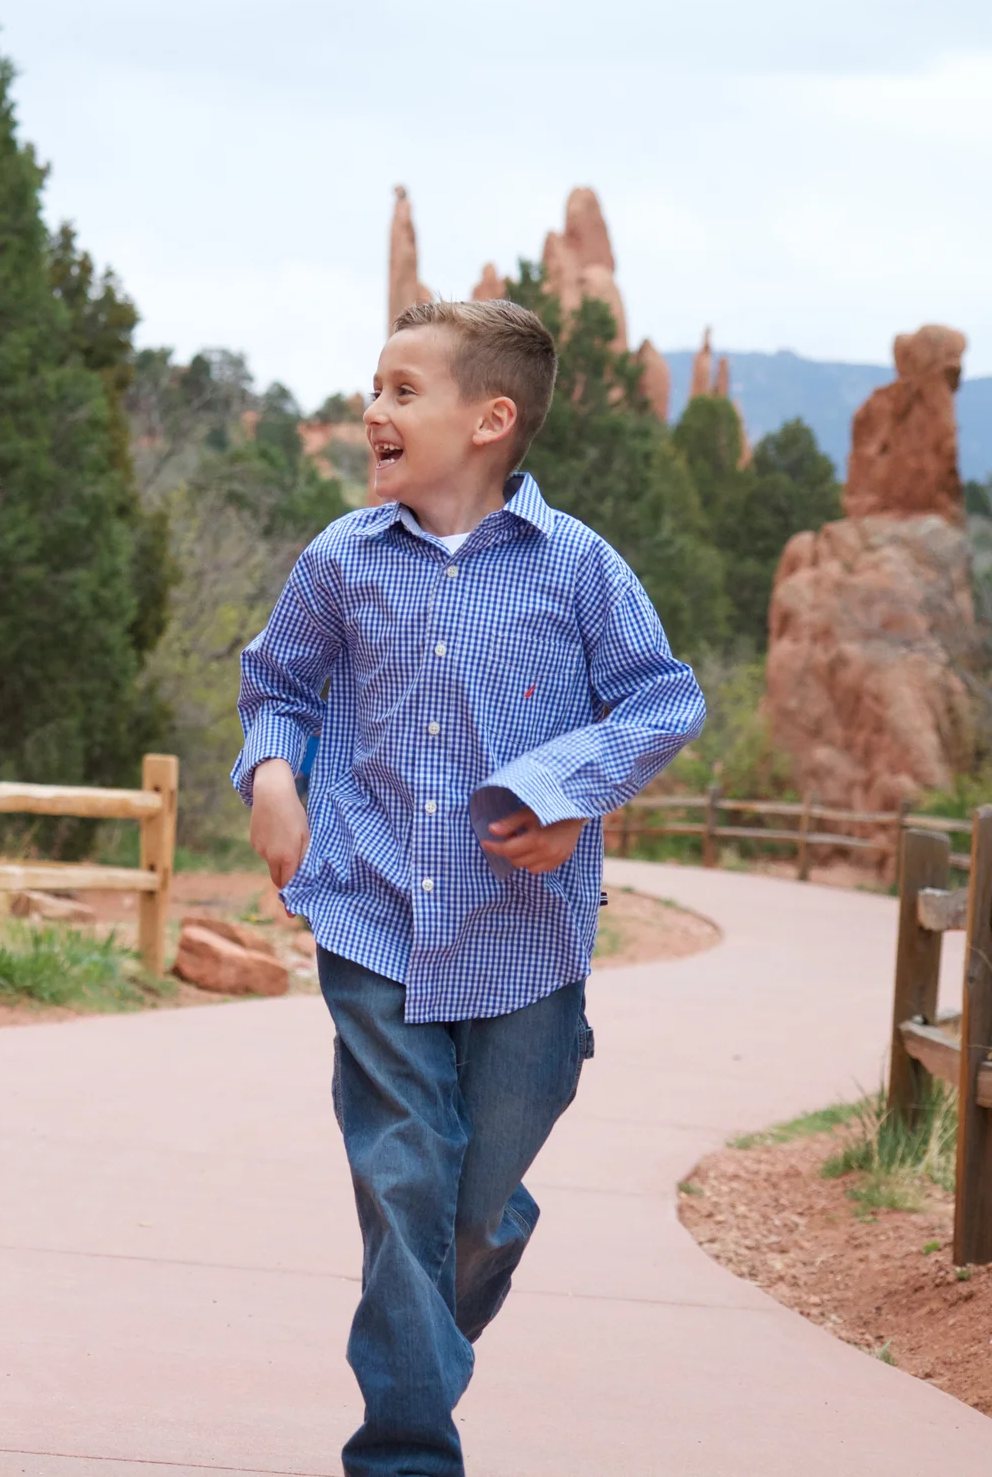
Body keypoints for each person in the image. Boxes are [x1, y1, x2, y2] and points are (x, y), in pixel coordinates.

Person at [235, 299, 704, 1476]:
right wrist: (272, 775)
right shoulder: (341, 559)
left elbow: (661, 699)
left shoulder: (578, 566)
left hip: (526, 944)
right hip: (372, 913)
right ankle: (403, 1450)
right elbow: (275, 687)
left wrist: (566, 788)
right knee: (402, 1176)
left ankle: (441, 1302)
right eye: (373, 385)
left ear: (490, 419)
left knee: (474, 1211)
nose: (371, 409)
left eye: (401, 389)